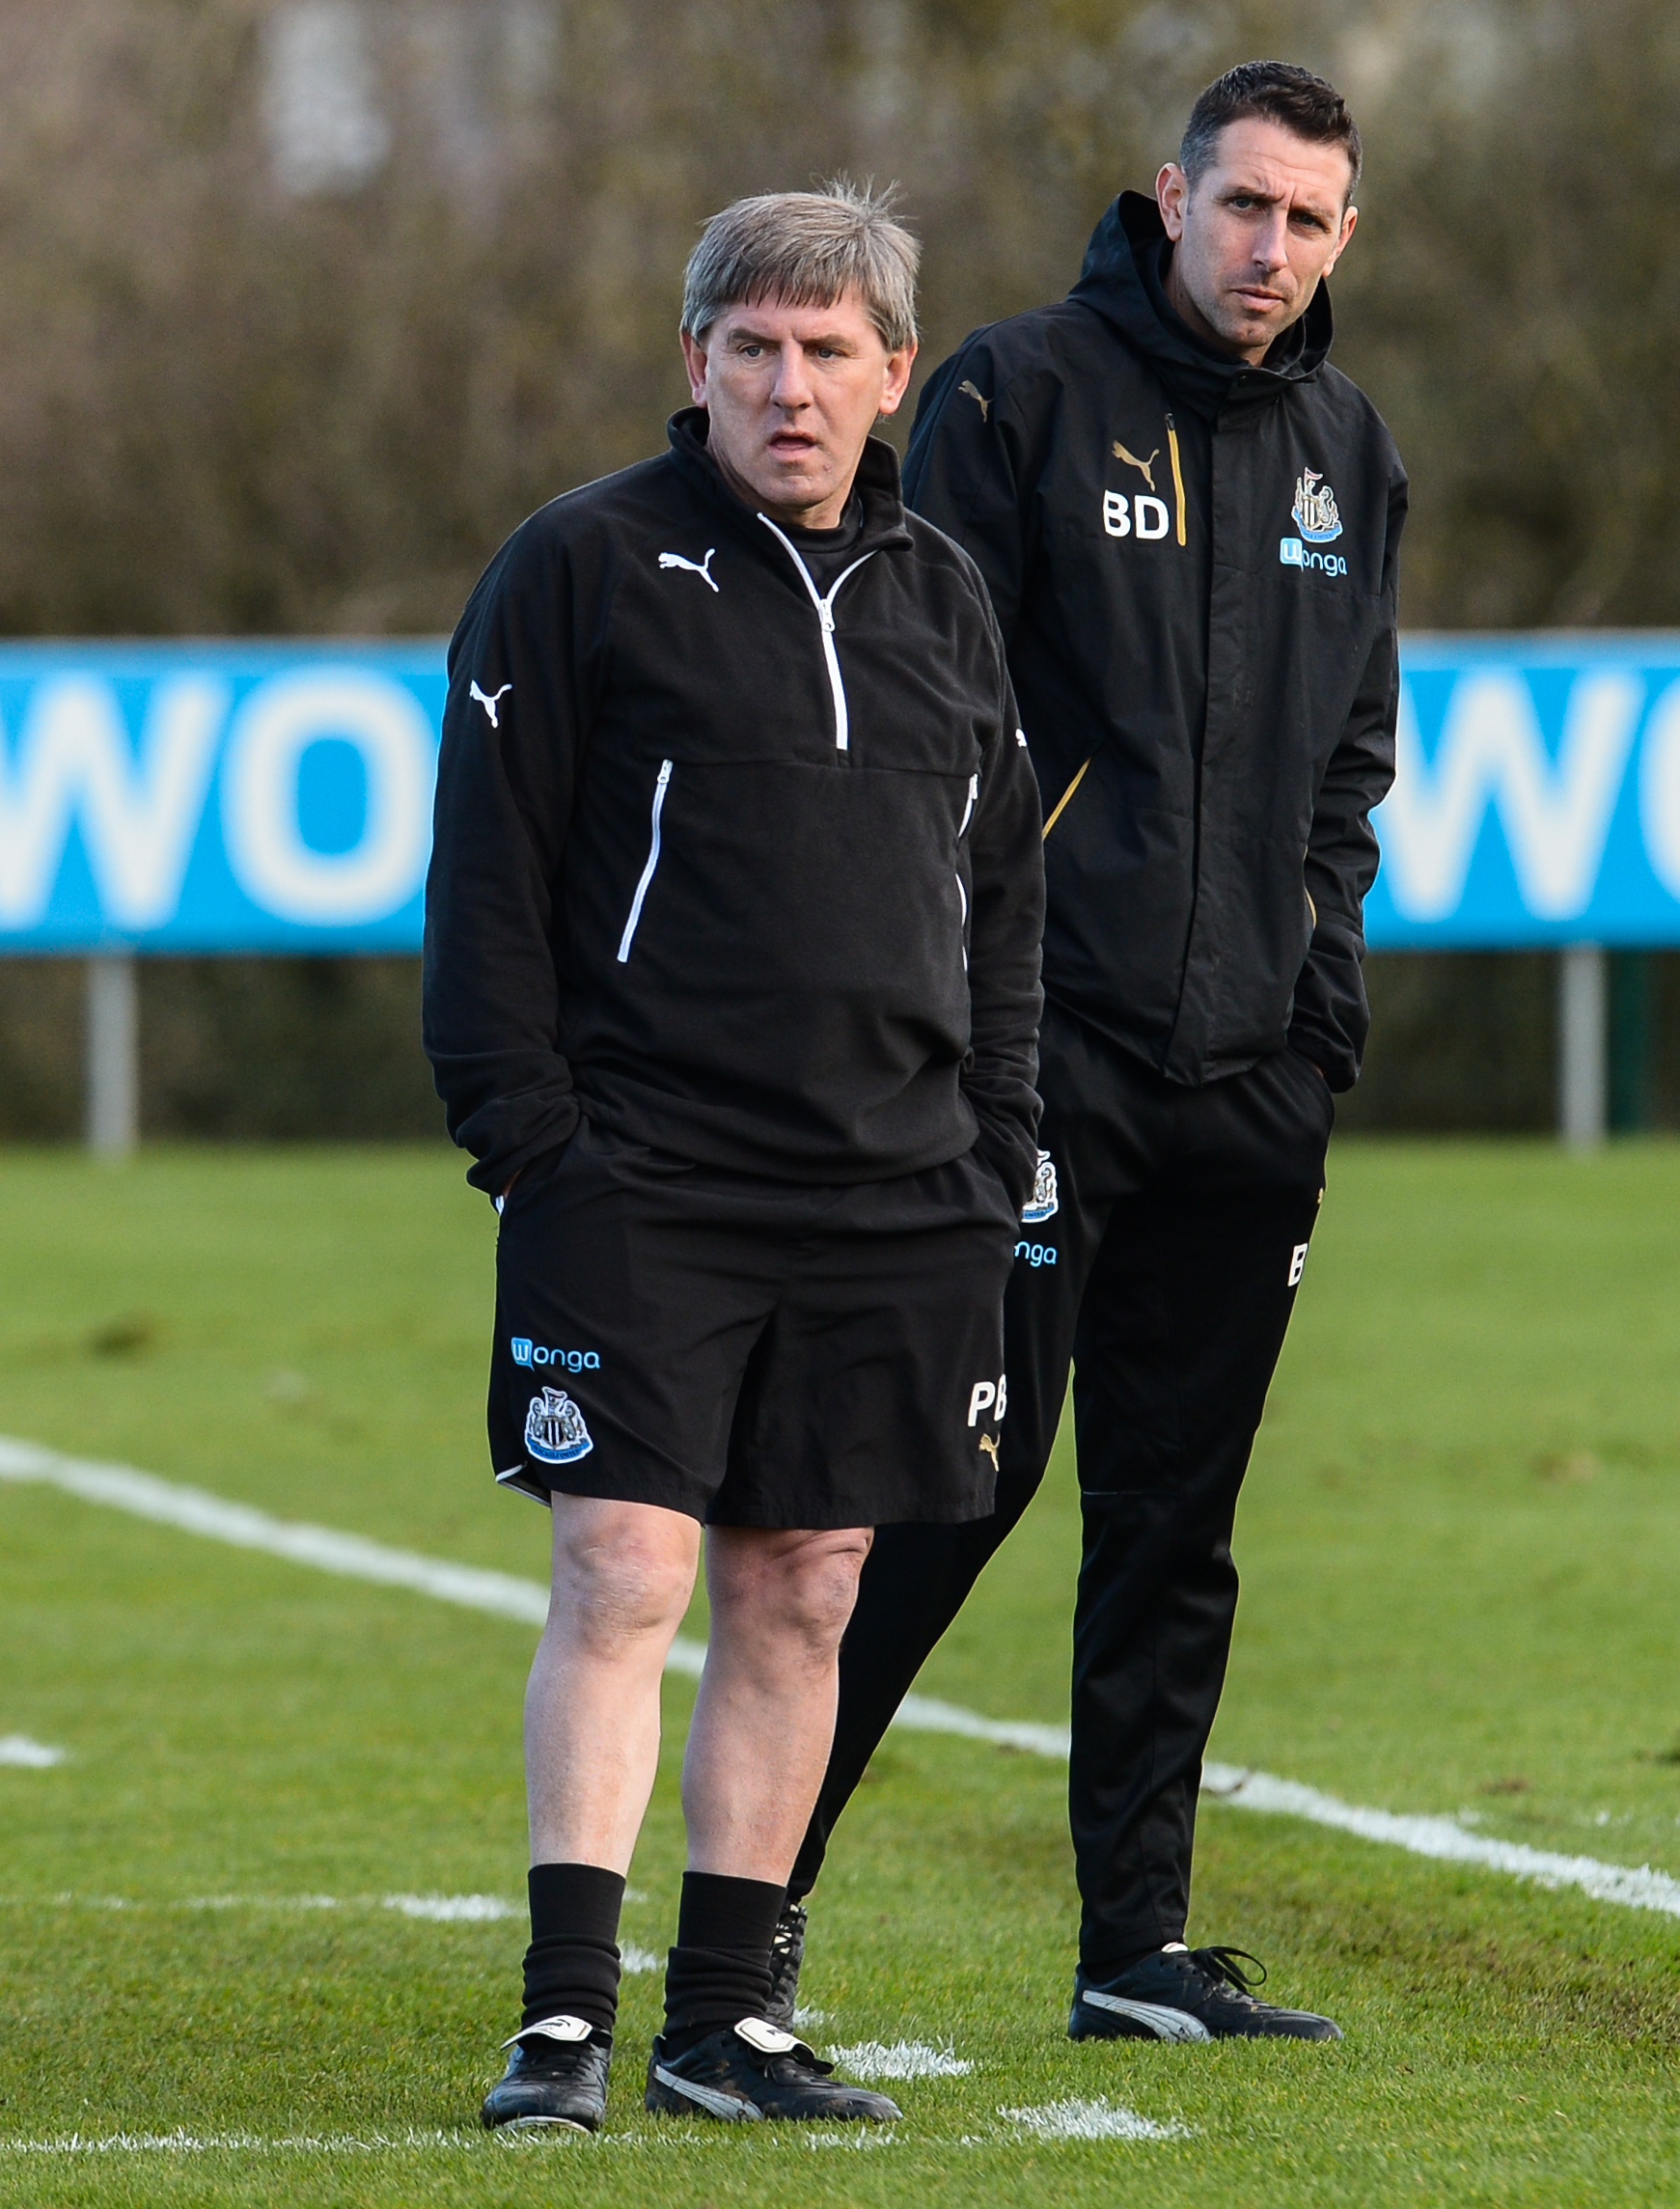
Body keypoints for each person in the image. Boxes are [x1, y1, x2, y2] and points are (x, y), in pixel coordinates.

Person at [783, 62, 1403, 2044]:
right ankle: (744, 1914)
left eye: (1308, 221)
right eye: (1243, 208)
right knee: (953, 1487)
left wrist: (1320, 1004)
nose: (1270, 251)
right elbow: (913, 720)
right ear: (1169, 194)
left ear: (1343, 237)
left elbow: (1349, 763)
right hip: (1038, 1064)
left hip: (1249, 1078)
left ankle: (1133, 1944)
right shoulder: (1013, 394)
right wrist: (959, 1020)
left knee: (1174, 1518)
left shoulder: (1348, 448)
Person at [422, 182, 1044, 2132]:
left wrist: (997, 1133)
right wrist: (535, 1140)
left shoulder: (948, 593)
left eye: (828, 352)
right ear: (693, 363)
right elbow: (488, 884)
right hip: (646, 1178)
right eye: (752, 349)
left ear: (894, 377)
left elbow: (1006, 899)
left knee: (808, 1583)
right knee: (620, 1569)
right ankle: (561, 2017)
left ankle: (729, 2015)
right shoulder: (578, 565)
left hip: (898, 1186)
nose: (790, 386)